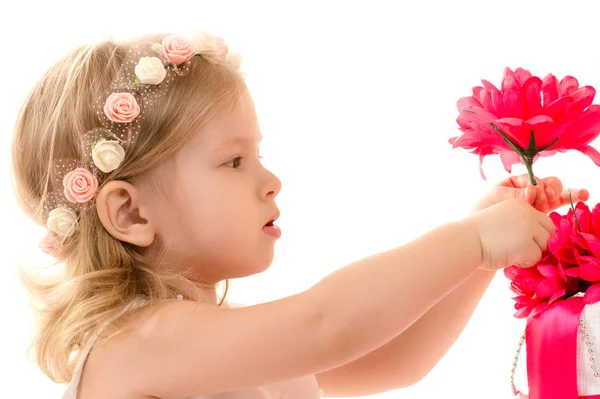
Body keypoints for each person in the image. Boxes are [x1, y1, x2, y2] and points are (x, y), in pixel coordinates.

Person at [10, 32, 588, 399]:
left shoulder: (223, 340)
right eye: (234, 161)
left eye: (258, 155)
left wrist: (479, 262)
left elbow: (389, 361)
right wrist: (470, 242)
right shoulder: (136, 342)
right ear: (130, 211)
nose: (270, 181)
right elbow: (328, 324)